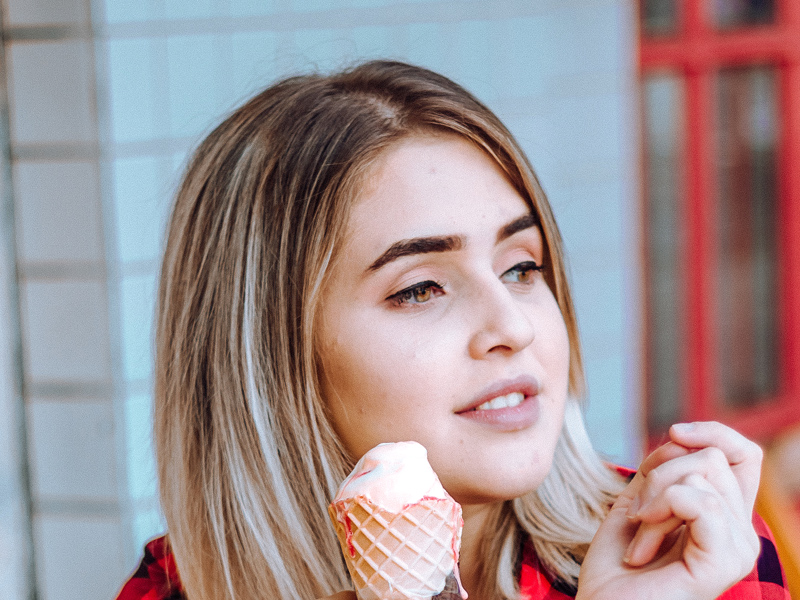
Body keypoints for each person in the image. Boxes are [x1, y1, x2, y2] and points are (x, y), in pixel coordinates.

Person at [116, 60, 787, 600]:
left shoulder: (687, 551)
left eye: (521, 268)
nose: (511, 326)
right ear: (268, 358)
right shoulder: (171, 591)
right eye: (419, 289)